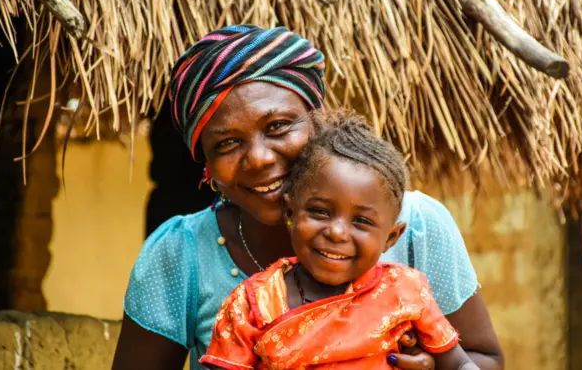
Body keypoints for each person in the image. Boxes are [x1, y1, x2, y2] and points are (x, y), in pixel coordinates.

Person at [112, 25, 504, 370]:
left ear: (317, 120)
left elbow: (485, 360)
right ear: (207, 165)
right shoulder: (180, 255)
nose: (260, 158)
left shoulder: (417, 226)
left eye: (279, 126)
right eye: (227, 143)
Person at [199, 111, 479, 370]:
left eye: (362, 221)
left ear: (391, 238)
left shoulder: (406, 290)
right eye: (320, 212)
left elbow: (458, 364)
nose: (337, 233)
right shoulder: (251, 303)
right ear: (290, 212)